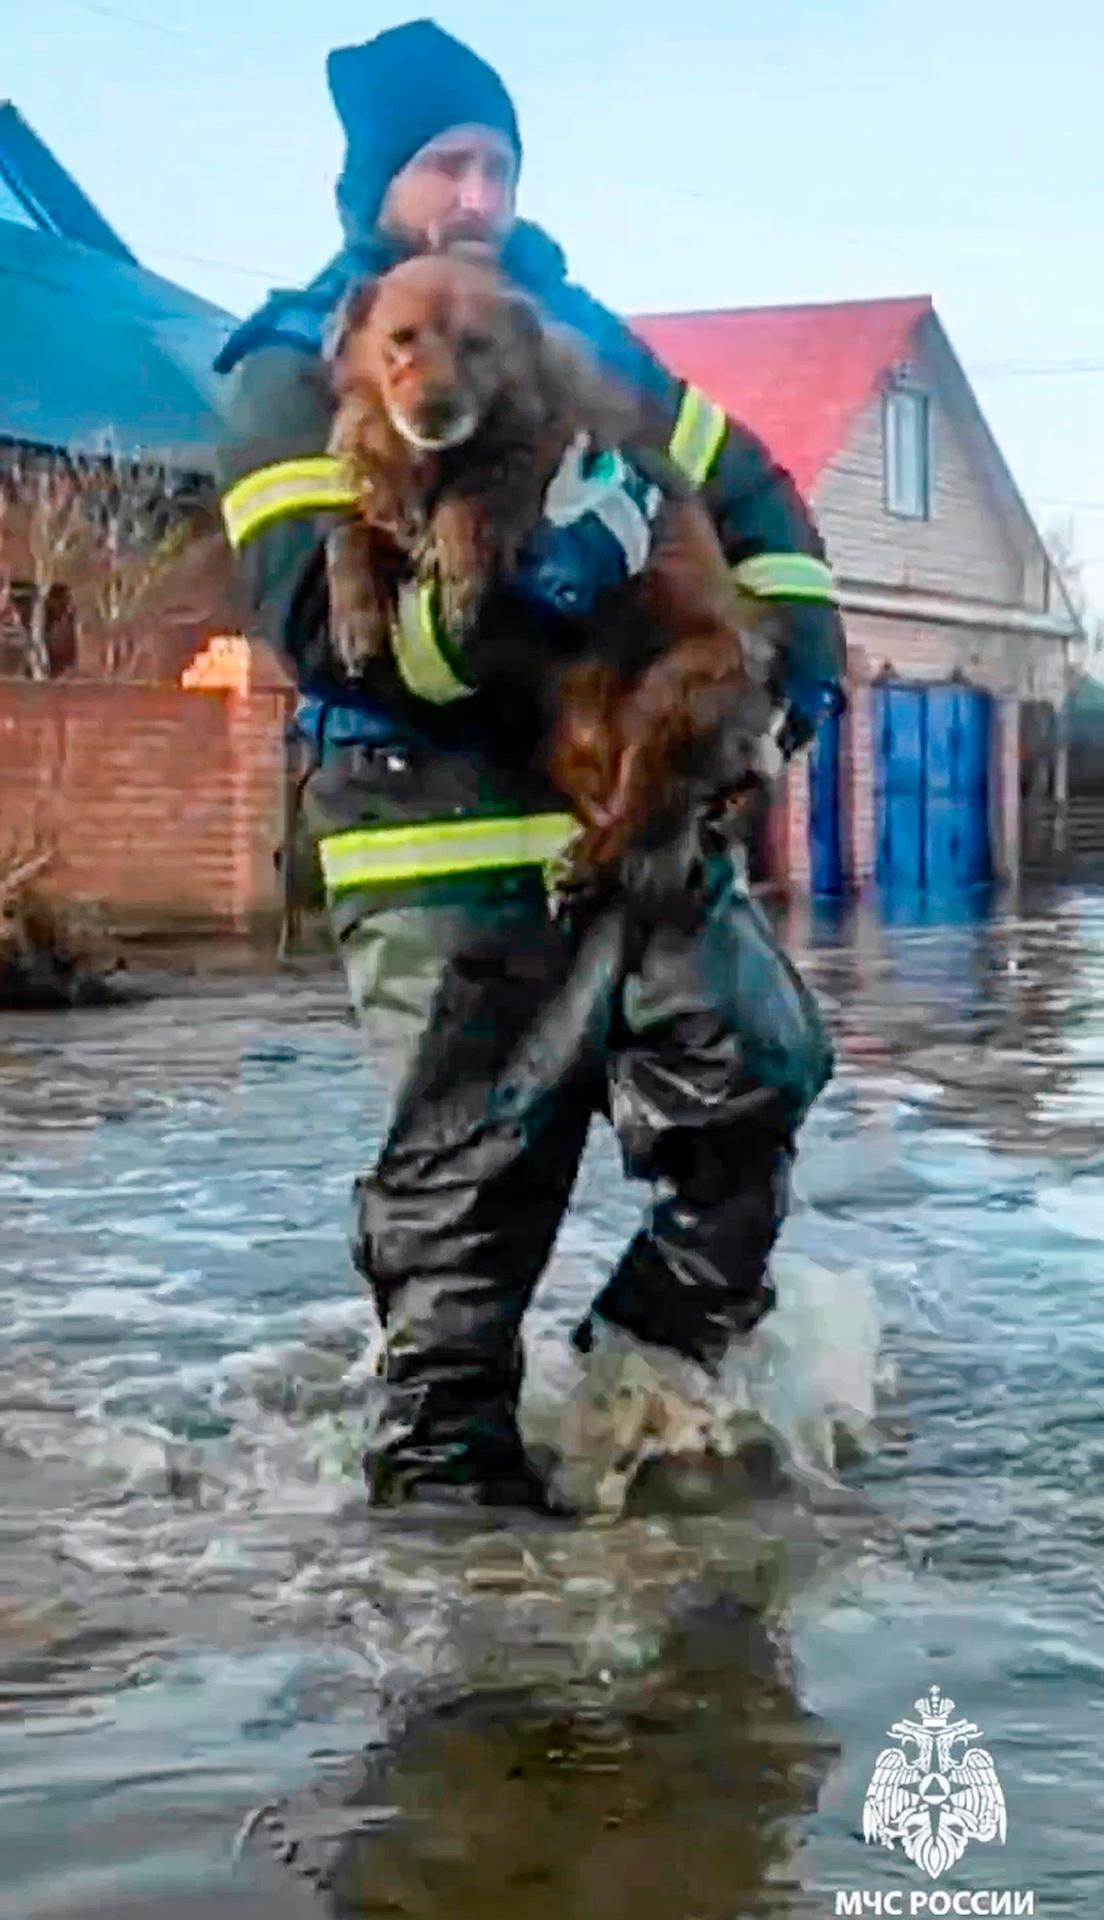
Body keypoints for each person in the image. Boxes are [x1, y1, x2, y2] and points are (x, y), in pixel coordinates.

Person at [213, 18, 844, 1514]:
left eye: (501, 163)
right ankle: (462, 1642)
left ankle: (645, 1418)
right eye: (449, 163)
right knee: (462, 1239)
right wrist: (544, 574)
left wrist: (797, 668)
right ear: (377, 189)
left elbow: (750, 486)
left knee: (761, 1081)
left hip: (629, 803)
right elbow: (332, 630)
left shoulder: (590, 342)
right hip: (434, 850)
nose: (483, 196)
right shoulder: (296, 366)